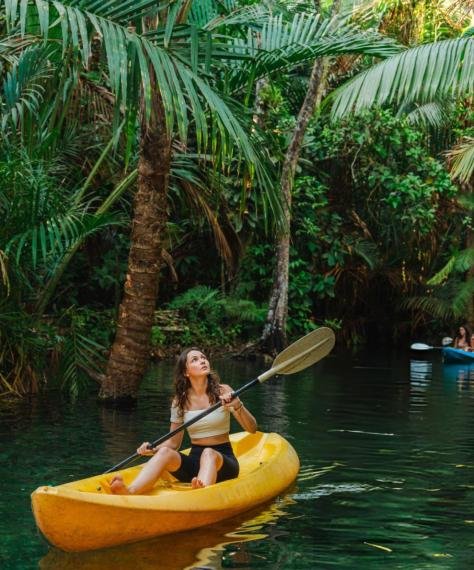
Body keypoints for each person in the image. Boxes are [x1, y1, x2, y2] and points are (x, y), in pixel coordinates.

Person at [110, 347, 257, 494]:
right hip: (194, 463)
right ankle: (130, 491)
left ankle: (199, 494)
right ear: (186, 372)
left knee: (208, 453)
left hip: (223, 462)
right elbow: (174, 443)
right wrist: (153, 448)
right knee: (165, 452)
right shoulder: (179, 401)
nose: (202, 361)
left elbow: (252, 428)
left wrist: (238, 405)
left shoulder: (223, 391)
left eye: (203, 357)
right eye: (195, 359)